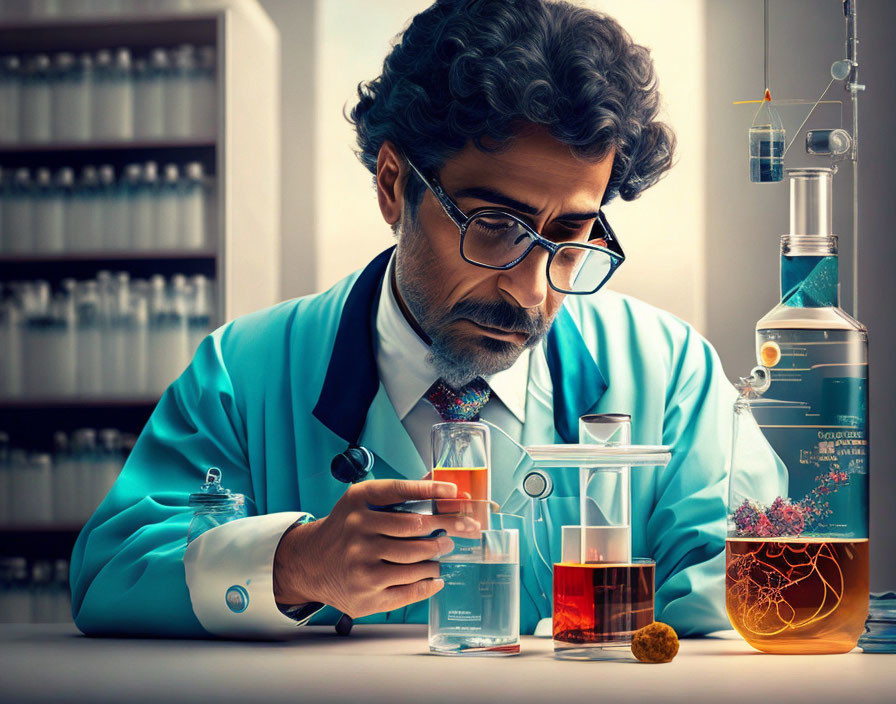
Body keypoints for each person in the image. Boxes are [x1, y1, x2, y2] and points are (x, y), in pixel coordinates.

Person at [71, 0, 782, 639]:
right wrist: (293, 565)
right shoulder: (243, 372)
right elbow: (112, 572)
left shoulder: (671, 372)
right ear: (393, 184)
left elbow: (766, 575)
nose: (531, 293)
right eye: (496, 225)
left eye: (570, 236)